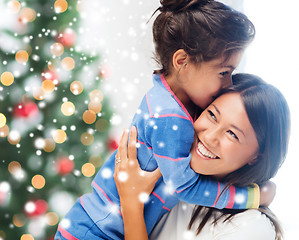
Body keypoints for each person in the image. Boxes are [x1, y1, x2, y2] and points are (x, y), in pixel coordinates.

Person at [54, 1, 265, 239]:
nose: (229, 84)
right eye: (223, 73)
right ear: (182, 61)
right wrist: (251, 196)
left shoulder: (166, 94)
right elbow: (184, 186)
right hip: (95, 231)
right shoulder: (169, 117)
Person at [114, 73, 290, 240]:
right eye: (212, 115)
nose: (209, 136)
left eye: (232, 134)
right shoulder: (172, 172)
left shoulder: (252, 227)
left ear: (256, 157)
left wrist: (131, 205)